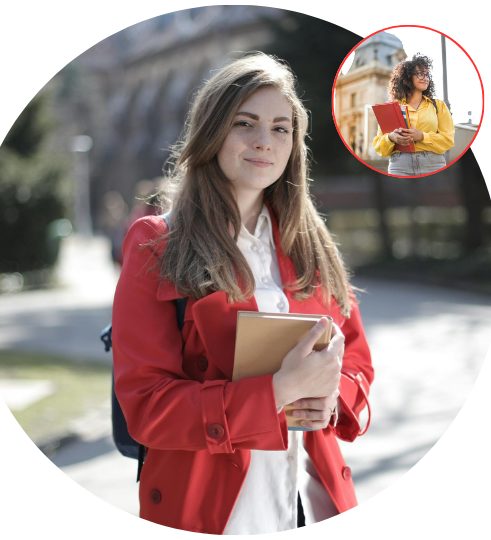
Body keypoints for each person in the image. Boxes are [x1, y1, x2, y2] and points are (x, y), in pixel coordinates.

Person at [112, 52, 373, 535]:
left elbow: (355, 358)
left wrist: (333, 398)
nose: (263, 142)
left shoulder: (310, 242)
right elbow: (147, 407)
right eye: (244, 123)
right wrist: (276, 392)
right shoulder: (155, 241)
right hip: (212, 514)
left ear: (295, 144)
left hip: (314, 504)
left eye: (280, 128)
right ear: (212, 132)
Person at [373, 53, 455, 176]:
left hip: (433, 164)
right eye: (421, 73)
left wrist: (422, 136)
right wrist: (391, 137)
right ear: (407, 78)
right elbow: (379, 147)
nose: (425, 78)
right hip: (399, 164)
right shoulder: (392, 108)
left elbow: (448, 140)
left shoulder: (438, 106)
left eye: (427, 74)